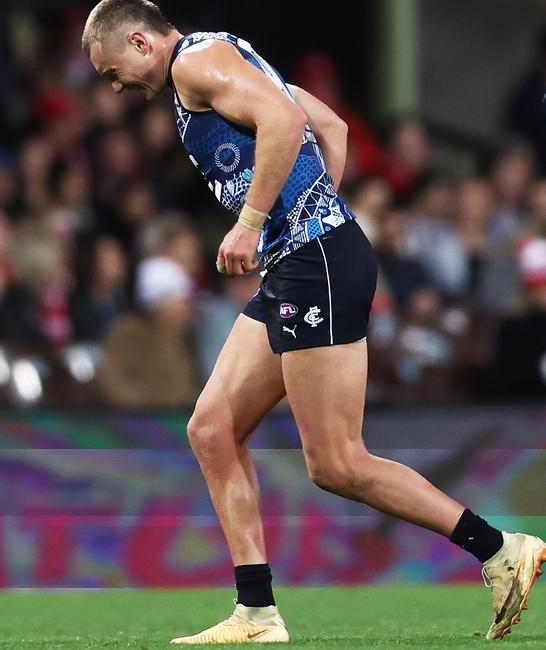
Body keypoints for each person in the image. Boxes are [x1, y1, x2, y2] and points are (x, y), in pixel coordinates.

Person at [82, 0, 546, 642]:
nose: (116, 87)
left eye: (113, 71)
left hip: (314, 264)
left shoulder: (193, 64)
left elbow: (284, 119)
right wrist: (314, 210)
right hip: (305, 262)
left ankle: (499, 549)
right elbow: (330, 125)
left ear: (139, 41)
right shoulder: (229, 55)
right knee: (213, 429)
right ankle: (255, 613)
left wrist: (260, 222)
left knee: (337, 462)